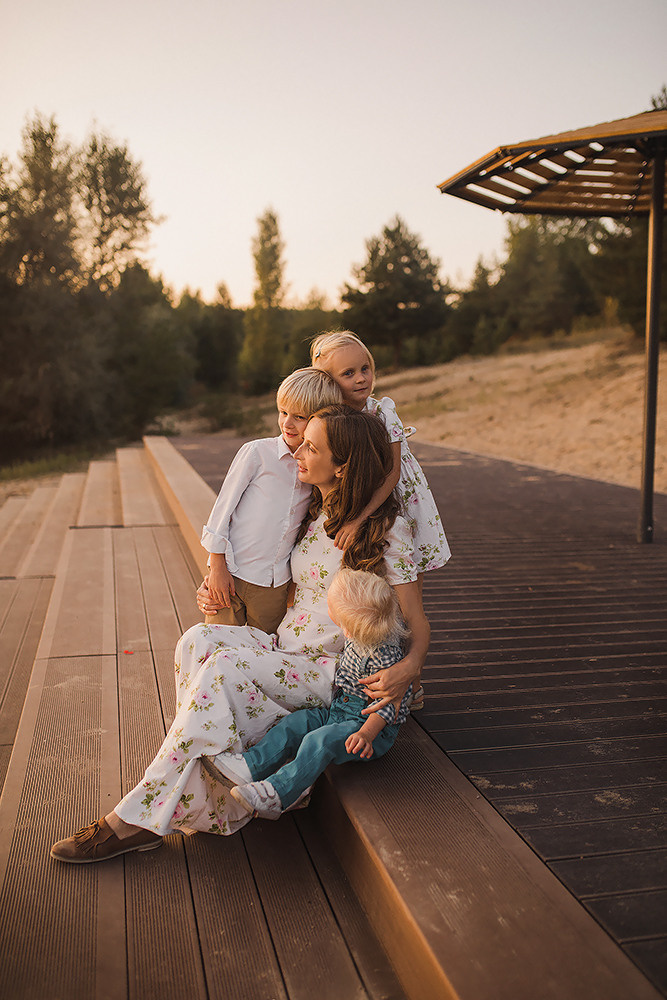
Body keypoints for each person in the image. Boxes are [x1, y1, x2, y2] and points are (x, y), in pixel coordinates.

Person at [50, 404, 429, 863]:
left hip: (331, 673)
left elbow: (415, 622)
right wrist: (216, 592)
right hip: (286, 648)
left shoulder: (387, 533)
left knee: (225, 665)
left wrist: (409, 670)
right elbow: (280, 585)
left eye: (312, 447)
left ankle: (132, 819)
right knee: (198, 640)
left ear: (343, 465)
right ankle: (214, 803)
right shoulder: (313, 513)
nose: (298, 452)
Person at [207, 566, 412, 820]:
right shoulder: (365, 629)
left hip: (366, 730)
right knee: (297, 723)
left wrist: (366, 734)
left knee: (320, 741)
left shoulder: (384, 654)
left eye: (333, 610)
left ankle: (277, 794)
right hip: (340, 711)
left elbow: (390, 703)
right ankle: (252, 765)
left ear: (349, 627)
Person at [202, 366, 343, 634]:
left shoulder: (316, 468)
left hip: (274, 585)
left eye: (299, 417)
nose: (287, 423)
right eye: (283, 412)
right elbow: (222, 511)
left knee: (264, 649)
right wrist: (216, 566)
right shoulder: (257, 453)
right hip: (231, 574)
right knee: (217, 645)